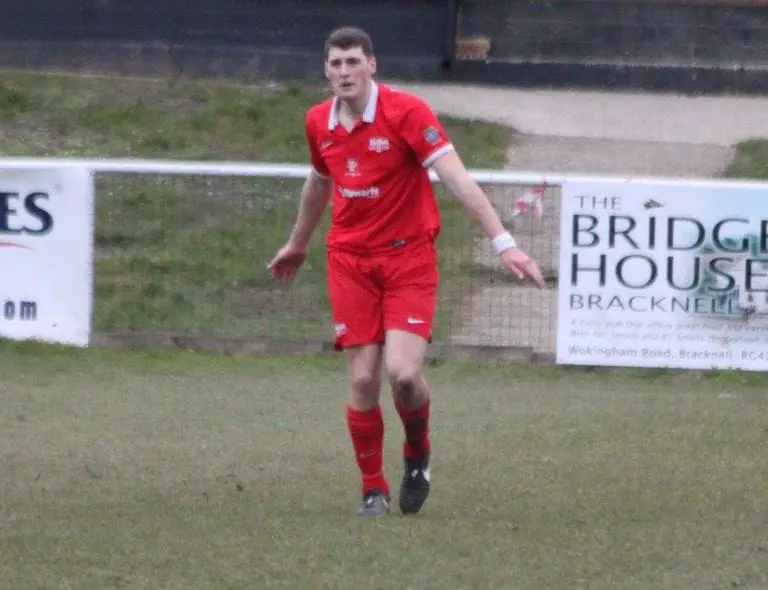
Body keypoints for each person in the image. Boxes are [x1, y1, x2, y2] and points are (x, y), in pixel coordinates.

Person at [268, 26, 545, 517]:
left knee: (403, 373)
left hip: (407, 258)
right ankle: (372, 489)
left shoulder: (407, 113)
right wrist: (297, 243)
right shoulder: (318, 122)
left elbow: (457, 179)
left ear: (372, 65)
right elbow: (318, 182)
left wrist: (504, 243)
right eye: (335, 64)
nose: (344, 72)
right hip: (349, 260)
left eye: (354, 61)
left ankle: (417, 453)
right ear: (325, 71)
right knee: (361, 381)